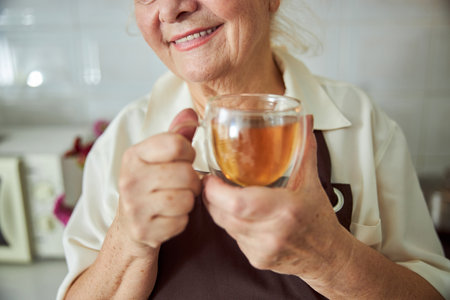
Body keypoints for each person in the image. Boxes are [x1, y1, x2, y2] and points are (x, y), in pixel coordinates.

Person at [57, 0, 450, 299]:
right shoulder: (122, 139)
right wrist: (128, 239)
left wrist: (332, 258)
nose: (173, 8)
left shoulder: (363, 126)